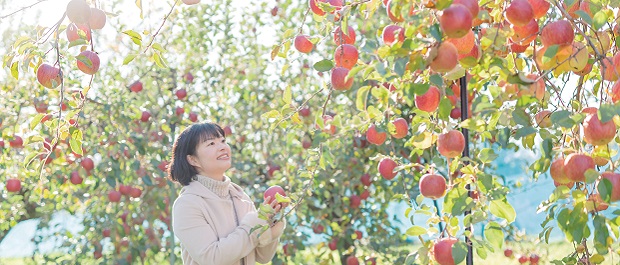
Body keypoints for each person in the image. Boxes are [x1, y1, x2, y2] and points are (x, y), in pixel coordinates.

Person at [168, 122, 287, 265]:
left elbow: (262, 257)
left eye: (223, 141)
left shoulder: (240, 197)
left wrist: (272, 222)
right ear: (193, 159)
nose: (223, 147)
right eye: (211, 144)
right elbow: (212, 258)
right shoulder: (187, 204)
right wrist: (256, 221)